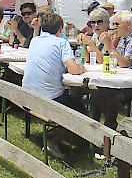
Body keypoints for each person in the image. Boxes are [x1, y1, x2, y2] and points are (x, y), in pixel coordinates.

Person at [22, 12, 85, 159]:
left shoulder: (35, 41)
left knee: (72, 100)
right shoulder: (61, 42)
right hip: (49, 97)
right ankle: (54, 141)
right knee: (80, 111)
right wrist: (82, 67)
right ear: (60, 29)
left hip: (27, 95)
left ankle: (73, 139)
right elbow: (74, 70)